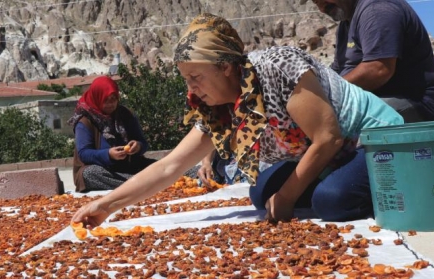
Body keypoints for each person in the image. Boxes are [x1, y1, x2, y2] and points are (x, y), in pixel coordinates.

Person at [72, 13, 404, 227]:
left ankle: (387, 186)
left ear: (226, 67)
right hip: (330, 156)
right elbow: (169, 166)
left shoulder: (278, 67)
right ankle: (327, 185)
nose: (192, 90)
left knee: (331, 201)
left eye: (196, 78)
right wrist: (106, 205)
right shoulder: (221, 108)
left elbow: (328, 137)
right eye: (186, 81)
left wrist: (288, 196)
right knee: (261, 194)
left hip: (375, 142)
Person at [313, 0, 434, 122]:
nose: (322, 9)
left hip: (418, 105)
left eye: (323, 1)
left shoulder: (377, 9)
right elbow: (337, 71)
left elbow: (378, 69)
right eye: (316, 2)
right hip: (377, 102)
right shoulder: (346, 24)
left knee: (329, 123)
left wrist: (327, 93)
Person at [70, 76, 157, 192]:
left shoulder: (125, 114)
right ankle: (143, 183)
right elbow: (84, 153)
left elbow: (143, 142)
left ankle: (145, 181)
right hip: (105, 171)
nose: (111, 104)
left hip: (131, 166)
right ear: (97, 98)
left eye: (114, 99)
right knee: (89, 174)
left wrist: (138, 146)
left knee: (167, 165)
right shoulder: (85, 121)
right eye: (106, 100)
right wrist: (108, 154)